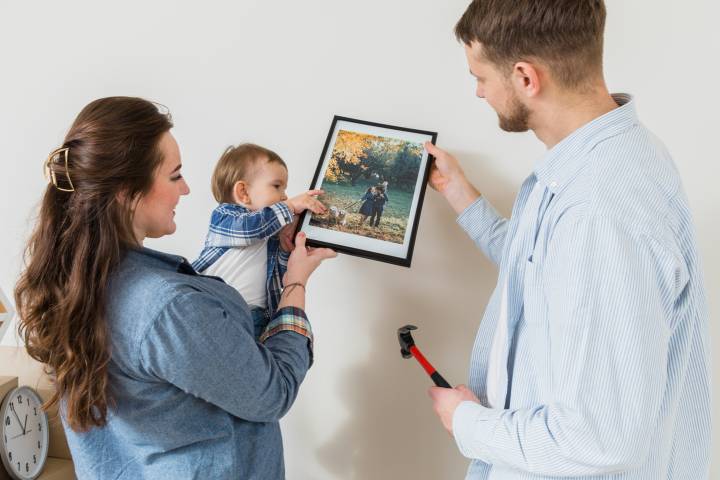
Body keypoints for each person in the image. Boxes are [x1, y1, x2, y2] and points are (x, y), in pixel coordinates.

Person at [425, 1, 710, 479]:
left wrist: (468, 423)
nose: (477, 91)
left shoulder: (599, 210)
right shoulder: (600, 160)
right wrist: (460, 193)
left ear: (525, 78)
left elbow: (599, 438)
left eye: (480, 76)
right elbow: (540, 267)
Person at [13, 97, 336, 479]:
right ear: (125, 192)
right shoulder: (168, 307)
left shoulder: (76, 282)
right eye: (174, 175)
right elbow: (274, 392)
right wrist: (295, 283)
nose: (185, 190)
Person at [192, 143, 327, 338]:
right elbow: (250, 228)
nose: (285, 195)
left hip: (256, 320)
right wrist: (289, 207)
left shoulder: (269, 235)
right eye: (277, 186)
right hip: (215, 310)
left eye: (285, 189)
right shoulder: (225, 217)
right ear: (243, 193)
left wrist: (284, 247)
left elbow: (278, 278)